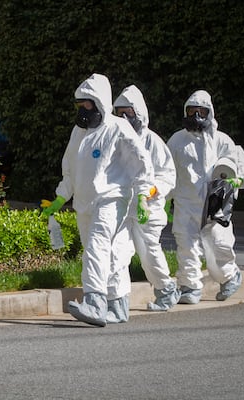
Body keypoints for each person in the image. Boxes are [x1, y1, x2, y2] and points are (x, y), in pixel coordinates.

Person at [41, 73, 154, 327]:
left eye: (87, 104)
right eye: (79, 105)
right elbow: (69, 168)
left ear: (100, 101)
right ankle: (118, 306)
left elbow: (141, 164)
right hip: (84, 202)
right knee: (108, 253)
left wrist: (144, 196)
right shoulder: (78, 132)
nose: (82, 110)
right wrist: (60, 198)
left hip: (113, 199)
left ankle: (94, 302)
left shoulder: (118, 128)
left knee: (96, 247)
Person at [166, 90, 244, 304]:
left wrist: (236, 181)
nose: (196, 115)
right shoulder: (177, 141)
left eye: (201, 111)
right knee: (186, 245)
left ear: (209, 113)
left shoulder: (222, 141)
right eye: (191, 111)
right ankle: (190, 286)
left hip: (216, 201)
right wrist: (165, 202)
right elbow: (167, 172)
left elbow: (237, 165)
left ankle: (230, 276)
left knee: (218, 243)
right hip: (186, 203)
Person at [113, 85, 179, 311]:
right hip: (123, 205)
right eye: (119, 112)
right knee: (119, 251)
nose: (123, 117)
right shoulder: (116, 138)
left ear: (139, 112)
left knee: (148, 250)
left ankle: (166, 289)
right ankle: (115, 298)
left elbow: (167, 174)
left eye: (128, 112)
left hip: (148, 208)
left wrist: (150, 191)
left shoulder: (152, 141)